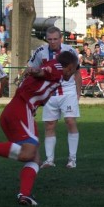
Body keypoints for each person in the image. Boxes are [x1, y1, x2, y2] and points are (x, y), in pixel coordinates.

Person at [0, 51, 79, 205]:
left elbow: (42, 72)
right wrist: (34, 71)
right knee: (28, 153)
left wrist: (34, 72)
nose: (72, 75)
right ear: (70, 67)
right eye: (73, 70)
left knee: (35, 158)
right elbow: (44, 72)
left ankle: (24, 194)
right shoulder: (58, 68)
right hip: (21, 109)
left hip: (17, 110)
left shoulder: (54, 66)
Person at [28, 27, 82, 169]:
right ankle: (49, 160)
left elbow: (77, 73)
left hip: (68, 92)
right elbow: (31, 68)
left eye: (55, 39)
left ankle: (72, 159)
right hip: (49, 94)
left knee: (70, 121)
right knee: (49, 125)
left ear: (61, 38)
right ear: (47, 39)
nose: (52, 42)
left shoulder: (69, 51)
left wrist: (78, 93)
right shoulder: (40, 52)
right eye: (50, 39)